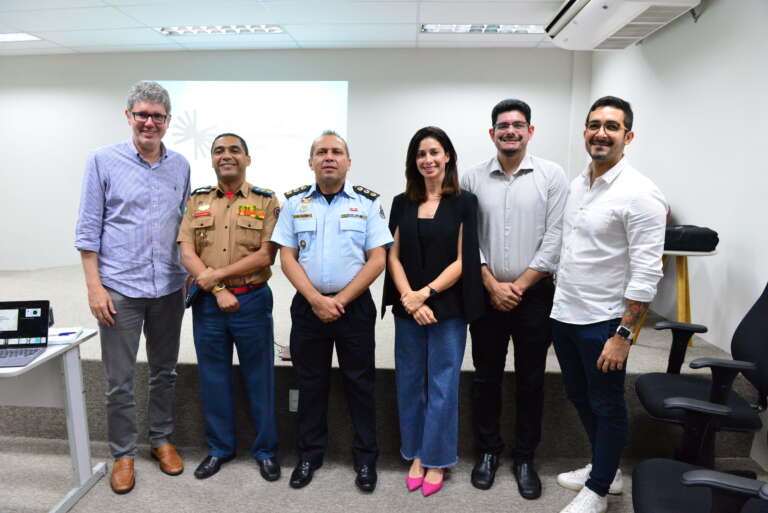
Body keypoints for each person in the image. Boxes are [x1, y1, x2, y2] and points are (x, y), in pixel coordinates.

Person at [552, 96, 667, 513]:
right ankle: (607, 468)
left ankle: (599, 490)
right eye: (594, 124)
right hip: (565, 313)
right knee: (580, 397)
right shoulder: (578, 183)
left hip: (604, 322)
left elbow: (647, 273)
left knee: (607, 403)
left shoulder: (641, 194)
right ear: (585, 131)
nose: (601, 132)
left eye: (612, 126)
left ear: (628, 136)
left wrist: (624, 334)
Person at [75, 81, 189, 494]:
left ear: (167, 122)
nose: (149, 122)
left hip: (169, 288)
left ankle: (160, 439)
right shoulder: (102, 161)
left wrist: (191, 269)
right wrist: (94, 287)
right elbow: (88, 230)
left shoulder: (180, 165)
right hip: (119, 288)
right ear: (128, 116)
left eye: (157, 116)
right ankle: (123, 453)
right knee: (119, 379)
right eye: (142, 114)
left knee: (165, 372)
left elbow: (185, 225)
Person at [271, 130, 393, 492]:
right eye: (321, 152)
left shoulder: (368, 202)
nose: (329, 157)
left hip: (353, 308)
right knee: (310, 384)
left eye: (336, 152)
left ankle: (366, 458)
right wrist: (315, 299)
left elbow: (378, 259)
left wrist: (339, 301)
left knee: (360, 383)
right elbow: (287, 257)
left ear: (348, 162)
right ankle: (309, 455)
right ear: (311, 162)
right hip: (309, 307)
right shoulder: (295, 203)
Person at [461, 99, 568, 499]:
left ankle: (525, 457)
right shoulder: (472, 178)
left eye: (517, 125)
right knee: (486, 378)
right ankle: (487, 451)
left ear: (530, 131)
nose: (510, 131)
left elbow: (555, 238)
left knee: (531, 379)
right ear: (492, 133)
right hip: (486, 295)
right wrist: (490, 283)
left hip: (535, 296)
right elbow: (468, 239)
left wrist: (519, 286)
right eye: (502, 126)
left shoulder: (551, 176)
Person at [383, 126, 484, 497]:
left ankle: (437, 458)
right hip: (408, 305)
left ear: (448, 157)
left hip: (447, 306)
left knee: (442, 384)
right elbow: (391, 254)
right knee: (410, 382)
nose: (427, 160)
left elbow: (464, 260)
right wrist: (409, 297)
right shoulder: (401, 202)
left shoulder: (464, 202)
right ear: (414, 161)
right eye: (420, 154)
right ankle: (416, 454)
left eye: (434, 152)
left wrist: (425, 294)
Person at [177, 133, 281, 481]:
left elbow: (266, 255)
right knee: (213, 379)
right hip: (209, 304)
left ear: (247, 159)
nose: (226, 156)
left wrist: (215, 277)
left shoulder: (266, 201)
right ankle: (219, 448)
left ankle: (265, 450)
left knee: (260, 377)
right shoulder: (198, 201)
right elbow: (186, 252)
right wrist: (218, 288)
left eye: (234, 150)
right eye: (219, 150)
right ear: (211, 160)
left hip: (251, 300)